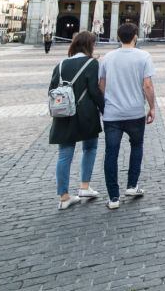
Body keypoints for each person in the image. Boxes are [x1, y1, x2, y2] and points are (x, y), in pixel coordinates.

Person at [99, 23, 156, 210]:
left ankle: (113, 198)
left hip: (112, 114)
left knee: (111, 153)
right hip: (135, 112)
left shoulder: (108, 57)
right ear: (135, 37)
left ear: (118, 37)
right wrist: (152, 107)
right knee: (137, 146)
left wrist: (108, 101)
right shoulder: (144, 56)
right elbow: (147, 85)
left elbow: (101, 84)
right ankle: (132, 186)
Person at [50, 30, 104, 210]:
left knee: (65, 154)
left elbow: (52, 90)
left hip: (64, 113)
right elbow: (95, 91)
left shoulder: (60, 64)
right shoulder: (91, 63)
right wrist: (105, 110)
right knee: (90, 148)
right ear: (90, 45)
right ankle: (84, 186)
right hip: (86, 114)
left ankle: (64, 196)